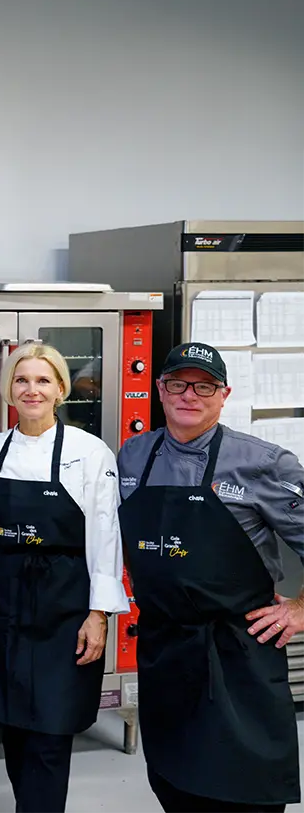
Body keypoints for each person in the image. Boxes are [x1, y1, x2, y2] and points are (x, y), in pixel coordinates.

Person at [117, 342, 304, 812]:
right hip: (164, 647)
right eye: (178, 383)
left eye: (205, 386)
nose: (189, 395)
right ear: (160, 390)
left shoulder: (264, 463)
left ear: (225, 395)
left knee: (245, 790)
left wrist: (302, 608)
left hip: (239, 650)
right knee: (172, 781)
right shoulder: (134, 456)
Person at [0, 342, 128, 813]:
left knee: (51, 729)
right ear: (8, 389)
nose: (31, 390)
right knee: (13, 722)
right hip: (4, 594)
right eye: (21, 380)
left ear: (60, 389)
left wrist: (99, 614)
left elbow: (104, 537)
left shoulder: (89, 452)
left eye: (42, 380)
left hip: (64, 599)